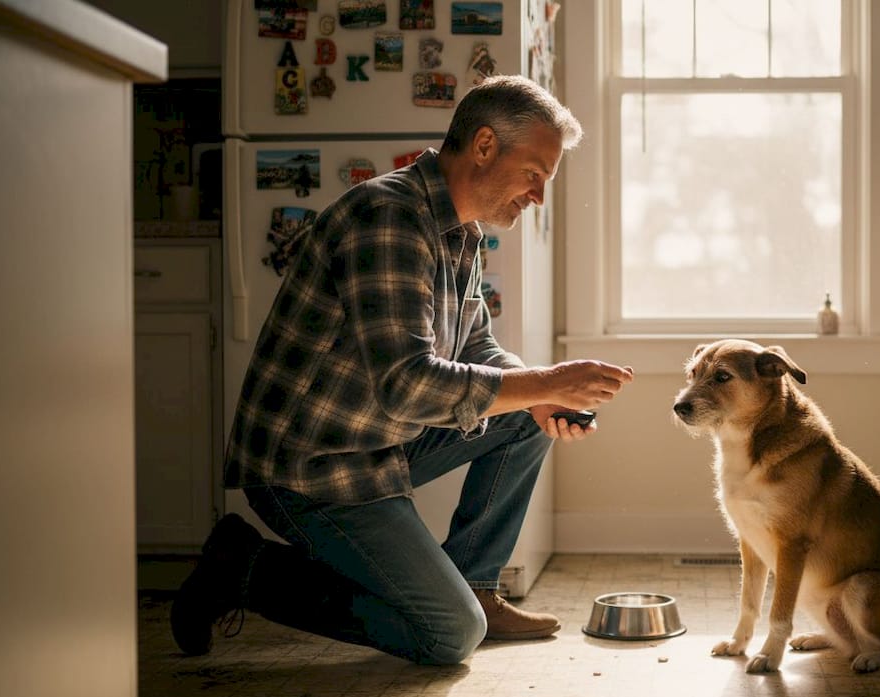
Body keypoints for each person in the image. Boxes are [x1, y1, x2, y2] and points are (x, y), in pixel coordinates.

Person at [171, 75, 634, 665]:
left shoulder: (462, 234)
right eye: (534, 174)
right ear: (486, 146)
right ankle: (245, 568)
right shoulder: (388, 219)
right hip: (312, 466)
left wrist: (538, 394)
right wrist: (544, 383)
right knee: (448, 636)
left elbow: (479, 348)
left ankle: (475, 585)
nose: (539, 195)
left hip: (376, 443)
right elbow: (408, 387)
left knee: (523, 416)